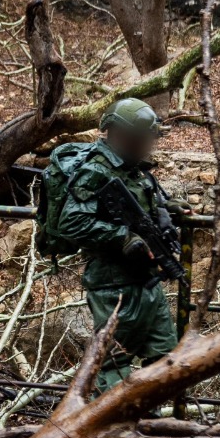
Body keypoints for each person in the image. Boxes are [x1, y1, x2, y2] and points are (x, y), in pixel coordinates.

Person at [52, 97, 182, 391]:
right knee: (112, 370)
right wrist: (122, 237)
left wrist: (168, 207)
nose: (147, 145)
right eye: (141, 139)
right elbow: (71, 222)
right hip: (114, 286)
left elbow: (138, 203)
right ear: (122, 135)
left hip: (146, 281)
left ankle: (144, 425)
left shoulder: (131, 168)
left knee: (167, 360)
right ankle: (105, 429)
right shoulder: (96, 170)